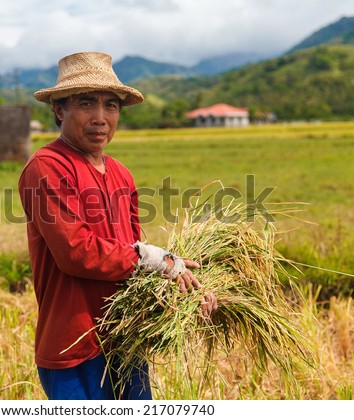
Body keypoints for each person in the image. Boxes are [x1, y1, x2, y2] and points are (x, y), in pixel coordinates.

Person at [18, 51, 217, 400]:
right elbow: (76, 253)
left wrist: (185, 287)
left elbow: (132, 254)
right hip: (74, 344)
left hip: (126, 337)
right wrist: (159, 262)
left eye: (111, 105)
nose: (100, 117)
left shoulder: (121, 173)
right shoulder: (47, 167)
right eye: (85, 103)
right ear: (59, 109)